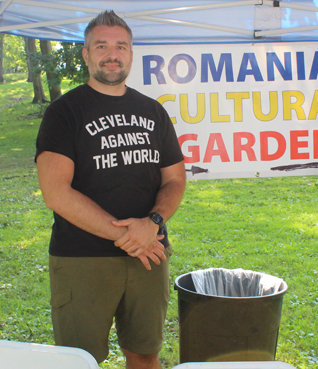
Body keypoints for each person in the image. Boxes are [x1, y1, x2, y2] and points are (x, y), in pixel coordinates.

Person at [35, 10, 186, 369]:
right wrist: (128, 236)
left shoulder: (153, 112)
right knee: (80, 361)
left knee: (145, 355)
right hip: (82, 258)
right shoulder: (64, 113)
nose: (112, 54)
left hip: (149, 253)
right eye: (101, 46)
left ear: (132, 53)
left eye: (121, 46)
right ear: (86, 55)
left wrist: (151, 223)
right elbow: (56, 193)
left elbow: (175, 180)